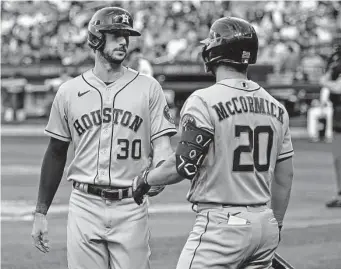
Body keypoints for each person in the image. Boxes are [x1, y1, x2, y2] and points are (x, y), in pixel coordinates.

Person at [132, 17, 294, 269]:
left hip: (222, 225)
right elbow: (285, 176)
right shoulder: (276, 107)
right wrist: (276, 225)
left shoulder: (203, 100)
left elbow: (183, 166)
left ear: (215, 51)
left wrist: (145, 179)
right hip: (265, 224)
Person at [31, 7, 177, 269]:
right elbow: (55, 152)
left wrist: (160, 171)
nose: (123, 41)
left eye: (126, 35)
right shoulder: (69, 91)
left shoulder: (149, 88)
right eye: (115, 34)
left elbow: (163, 145)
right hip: (84, 205)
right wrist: (41, 212)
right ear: (96, 38)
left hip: (130, 204)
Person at [321, 60, 341, 207]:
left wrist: (327, 77)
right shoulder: (336, 67)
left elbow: (337, 87)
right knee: (338, 160)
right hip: (338, 120)